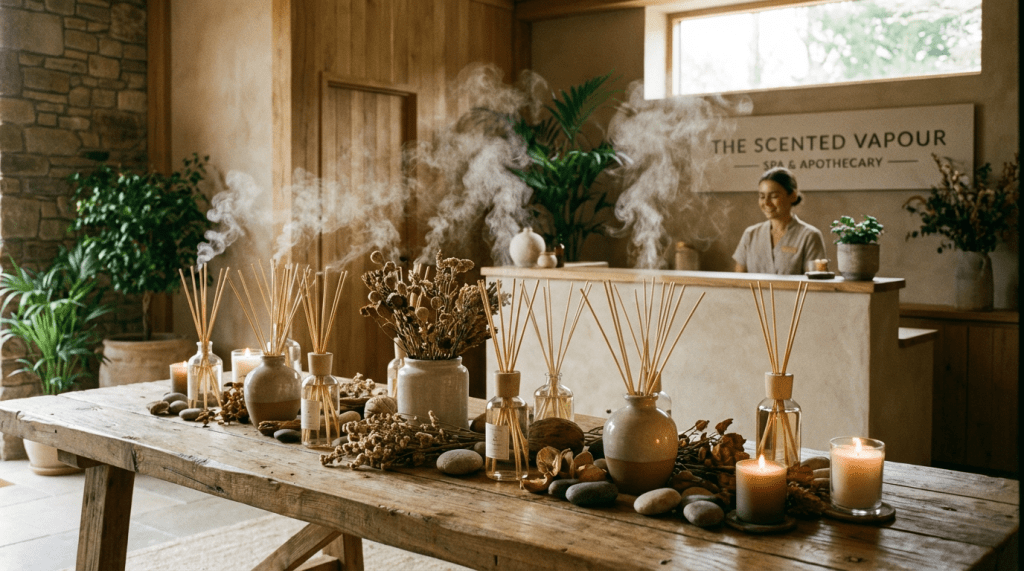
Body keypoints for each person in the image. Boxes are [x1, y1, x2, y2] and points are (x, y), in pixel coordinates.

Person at [733, 167, 826, 275]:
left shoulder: (809, 236)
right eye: (762, 196)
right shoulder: (750, 234)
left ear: (793, 196)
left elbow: (815, 285)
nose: (766, 203)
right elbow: (739, 281)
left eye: (774, 196)